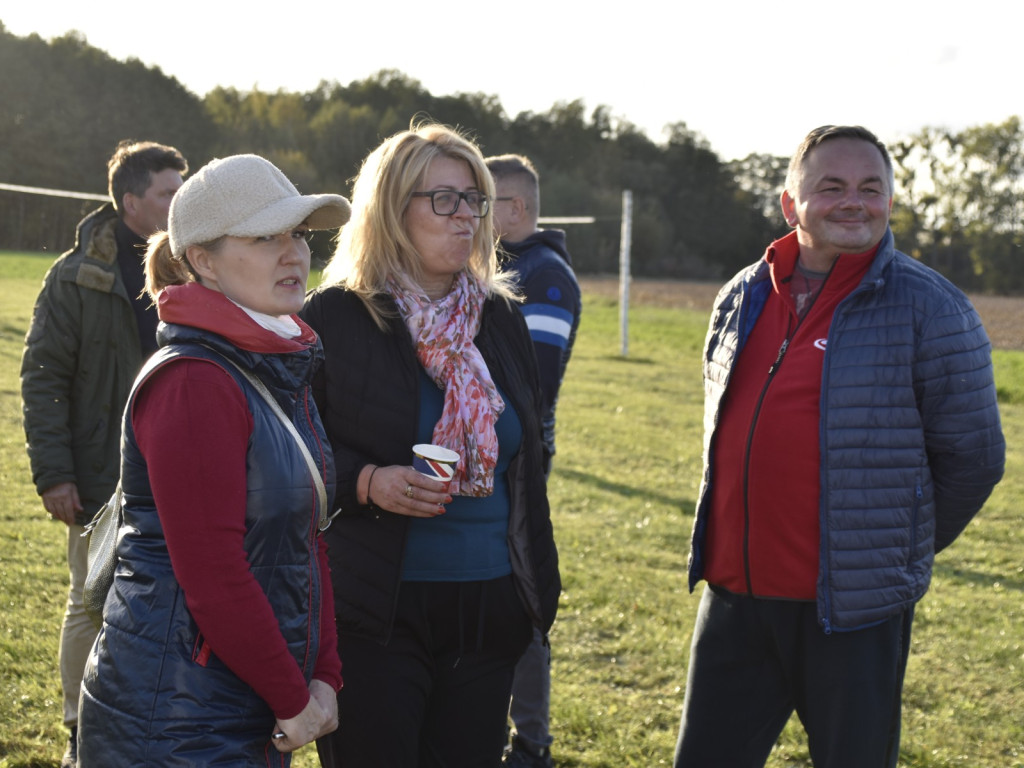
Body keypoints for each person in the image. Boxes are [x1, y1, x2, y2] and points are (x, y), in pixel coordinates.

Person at [674, 125, 1005, 768]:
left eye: (871, 187)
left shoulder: (932, 308)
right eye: (832, 186)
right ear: (790, 204)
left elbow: (974, 459)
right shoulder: (742, 294)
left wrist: (888, 543)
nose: (855, 201)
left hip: (852, 614)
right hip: (735, 600)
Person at [76, 154, 351, 766]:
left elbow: (309, 540)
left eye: (298, 234)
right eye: (264, 237)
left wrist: (324, 675)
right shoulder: (195, 382)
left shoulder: (276, 363)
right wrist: (292, 695)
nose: (294, 253)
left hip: (244, 703)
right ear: (202, 260)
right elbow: (212, 575)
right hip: (172, 719)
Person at [301, 123, 561, 767]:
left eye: (474, 199)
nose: (465, 216)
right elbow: (286, 456)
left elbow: (527, 461)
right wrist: (367, 482)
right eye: (443, 199)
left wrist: (530, 594)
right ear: (391, 209)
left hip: (489, 605)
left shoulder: (499, 317)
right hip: (375, 611)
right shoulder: (336, 315)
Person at [20, 139, 187, 768]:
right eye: (169, 191)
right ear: (130, 201)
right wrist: (55, 473)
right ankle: (78, 732)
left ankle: (159, 723)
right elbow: (43, 377)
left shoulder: (198, 262)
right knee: (90, 603)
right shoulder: (74, 277)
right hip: (99, 475)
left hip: (181, 470)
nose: (180, 201)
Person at [486, 154, 581, 768]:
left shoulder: (544, 277)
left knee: (518, 595)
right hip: (481, 460)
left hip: (514, 464)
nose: (466, 213)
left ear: (515, 208)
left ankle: (532, 742)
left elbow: (533, 385)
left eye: (480, 200)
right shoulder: (501, 267)